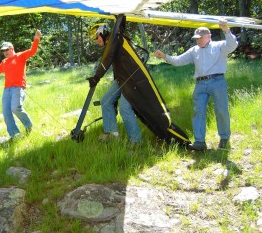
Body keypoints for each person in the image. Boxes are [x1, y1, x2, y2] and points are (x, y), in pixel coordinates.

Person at [153, 19, 238, 151]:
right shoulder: (194, 50)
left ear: (208, 36)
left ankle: (224, 138)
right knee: (198, 112)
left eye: (200, 38)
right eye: (196, 38)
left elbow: (232, 45)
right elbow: (178, 61)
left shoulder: (219, 46)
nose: (198, 41)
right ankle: (199, 142)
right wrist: (165, 56)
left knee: (221, 110)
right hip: (200, 84)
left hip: (218, 81)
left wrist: (226, 30)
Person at [0, 30, 42, 138]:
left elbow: (32, 51)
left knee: (15, 108)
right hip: (7, 90)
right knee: (6, 112)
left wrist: (36, 38)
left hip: (18, 88)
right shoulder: (4, 62)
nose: (5, 52)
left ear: (12, 48)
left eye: (7, 50)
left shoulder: (20, 56)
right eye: (3, 51)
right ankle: (15, 135)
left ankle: (29, 126)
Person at [87, 23, 142, 145]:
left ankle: (136, 141)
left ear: (102, 33)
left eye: (97, 37)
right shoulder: (109, 43)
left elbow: (106, 61)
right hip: (121, 79)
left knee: (124, 108)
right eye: (95, 39)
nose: (96, 41)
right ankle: (112, 133)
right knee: (106, 101)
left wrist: (97, 77)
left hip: (131, 79)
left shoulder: (114, 39)